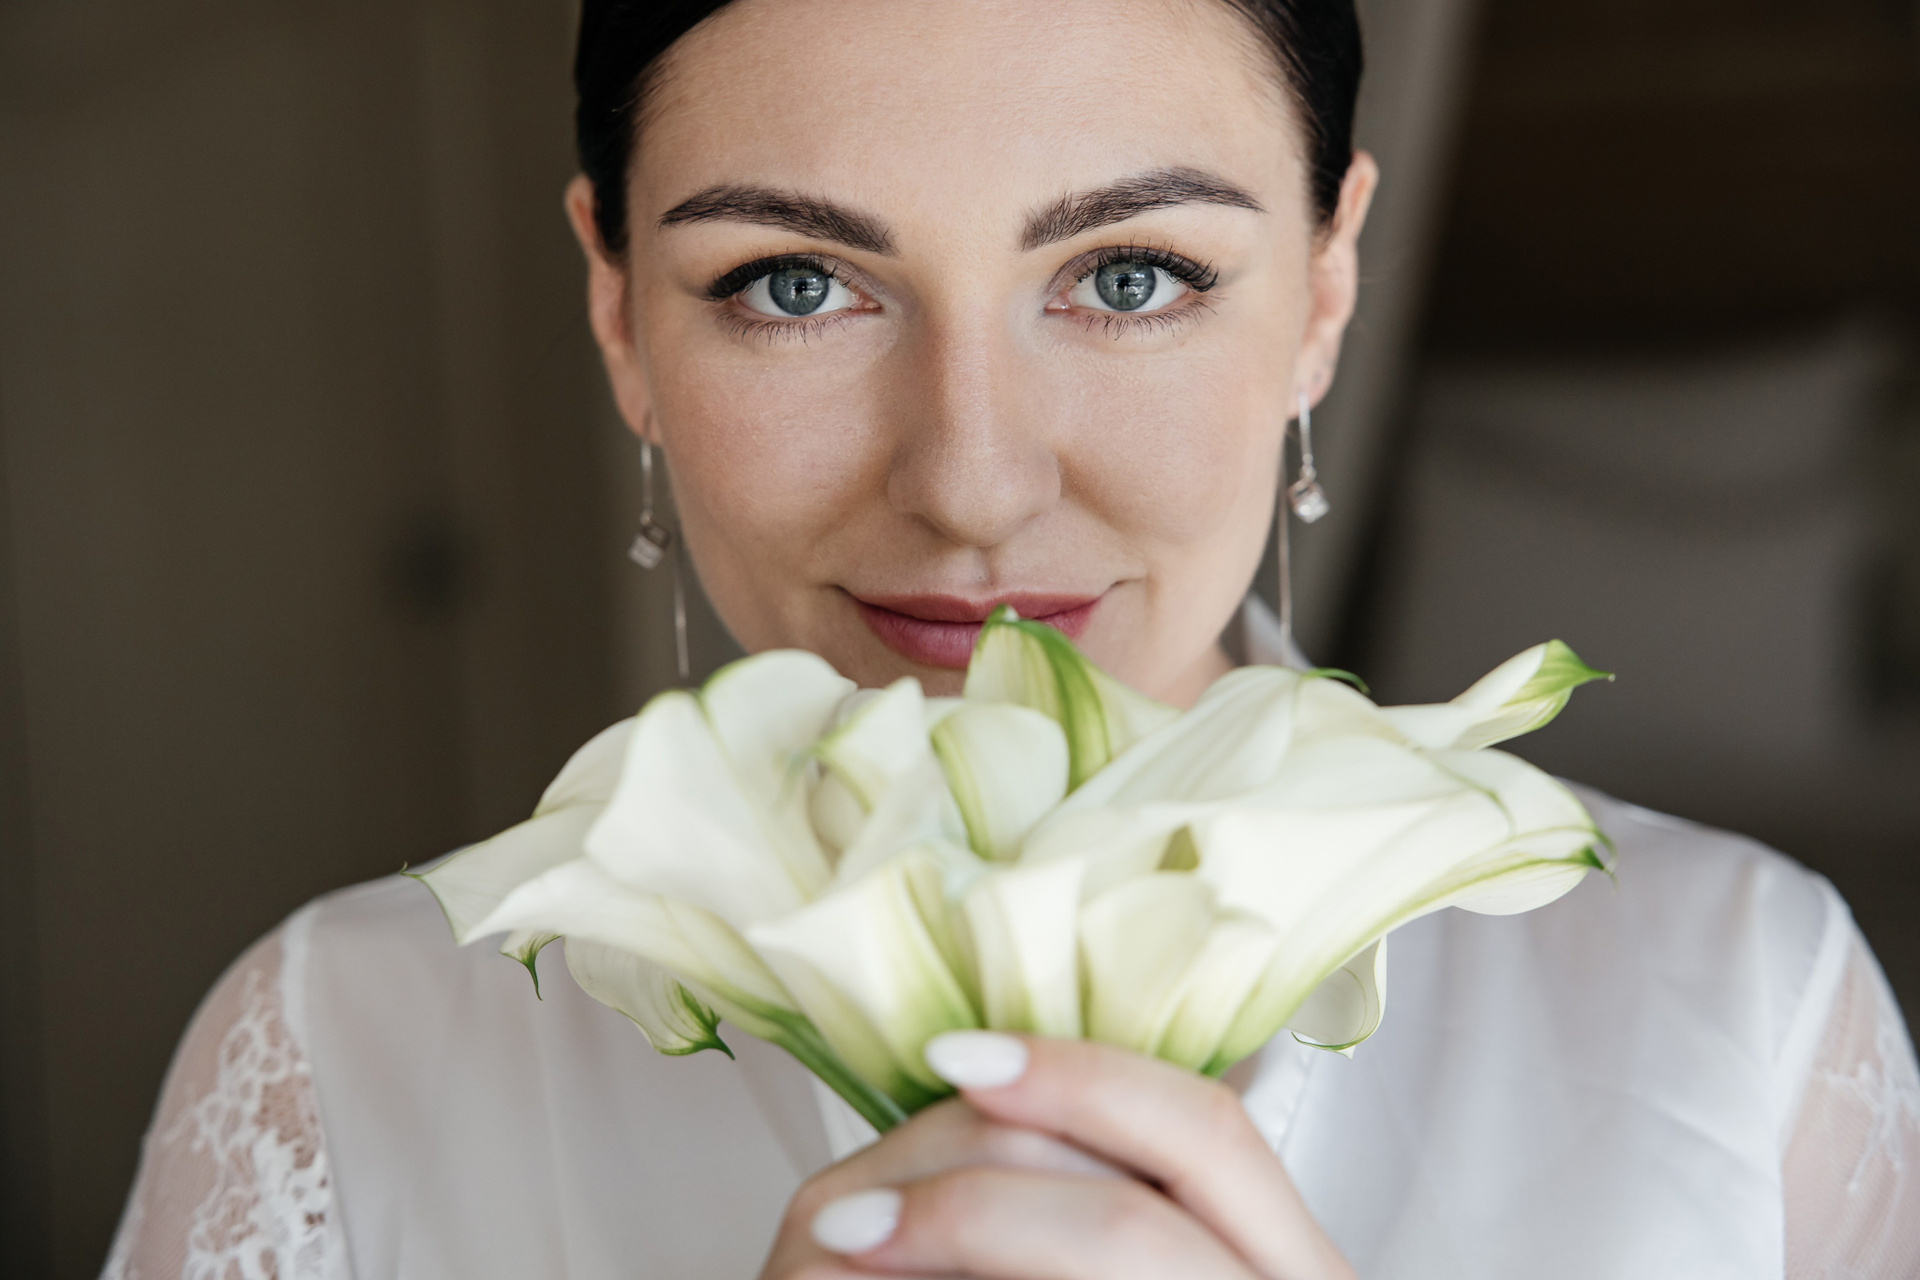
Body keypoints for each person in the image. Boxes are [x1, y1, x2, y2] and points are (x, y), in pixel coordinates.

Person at [105, 1, 1920, 1277]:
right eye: (794, 285)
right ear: (621, 315)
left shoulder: (1737, 1012)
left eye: (1131, 277)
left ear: (1323, 288)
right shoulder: (340, 1054)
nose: (971, 482)